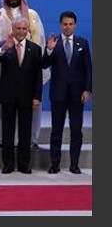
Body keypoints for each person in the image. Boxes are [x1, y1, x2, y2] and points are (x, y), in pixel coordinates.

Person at [0, 0, 48, 149]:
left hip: (28, 71)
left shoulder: (32, 15)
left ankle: (31, 140)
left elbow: (39, 40)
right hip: (4, 71)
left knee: (32, 110)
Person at [42, 11, 92, 174]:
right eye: (65, 24)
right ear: (60, 25)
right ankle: (54, 164)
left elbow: (88, 69)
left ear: (75, 25)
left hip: (77, 95)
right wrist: (48, 50)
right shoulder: (53, 43)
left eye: (70, 24)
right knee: (56, 130)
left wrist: (87, 89)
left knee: (76, 131)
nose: (68, 27)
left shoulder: (82, 43)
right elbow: (44, 64)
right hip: (58, 94)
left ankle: (74, 164)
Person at [0, 17, 43, 174]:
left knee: (25, 131)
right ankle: (7, 164)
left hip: (27, 97)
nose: (21, 31)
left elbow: (37, 76)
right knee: (7, 131)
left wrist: (37, 97)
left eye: (23, 29)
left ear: (27, 30)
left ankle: (24, 163)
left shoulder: (35, 49)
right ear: (12, 30)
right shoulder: (4, 45)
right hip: (8, 95)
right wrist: (4, 49)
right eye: (18, 28)